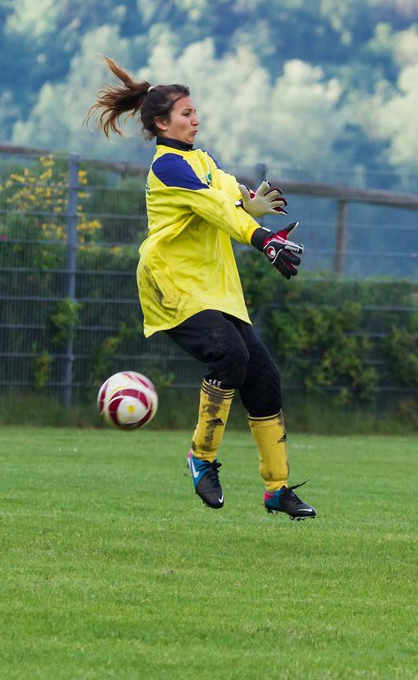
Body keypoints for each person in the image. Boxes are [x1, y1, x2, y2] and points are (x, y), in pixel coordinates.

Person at [87, 57, 317, 520]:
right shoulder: (168, 167)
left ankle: (277, 489)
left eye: (196, 112)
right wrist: (262, 240)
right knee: (230, 355)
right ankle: (201, 457)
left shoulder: (202, 161)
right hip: (173, 285)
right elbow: (216, 209)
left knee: (264, 377)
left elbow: (228, 197)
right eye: (187, 113)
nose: (196, 119)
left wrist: (254, 206)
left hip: (216, 288)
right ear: (161, 122)